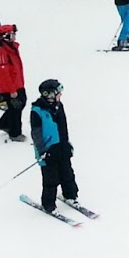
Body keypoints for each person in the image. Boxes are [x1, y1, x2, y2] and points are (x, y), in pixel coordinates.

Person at [29, 79, 78, 214]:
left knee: (67, 173)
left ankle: (70, 195)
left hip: (61, 147)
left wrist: (66, 143)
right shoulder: (37, 111)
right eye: (58, 93)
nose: (60, 95)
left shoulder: (59, 106)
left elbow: (63, 127)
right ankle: (49, 205)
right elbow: (36, 134)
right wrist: (42, 151)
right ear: (49, 94)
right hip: (48, 151)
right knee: (51, 179)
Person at [0, 24, 27, 140]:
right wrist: (12, 90)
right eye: (12, 34)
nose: (14, 36)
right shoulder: (1, 52)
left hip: (17, 83)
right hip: (10, 87)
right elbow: (3, 74)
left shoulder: (11, 48)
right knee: (16, 107)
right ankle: (15, 133)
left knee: (19, 104)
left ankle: (3, 123)